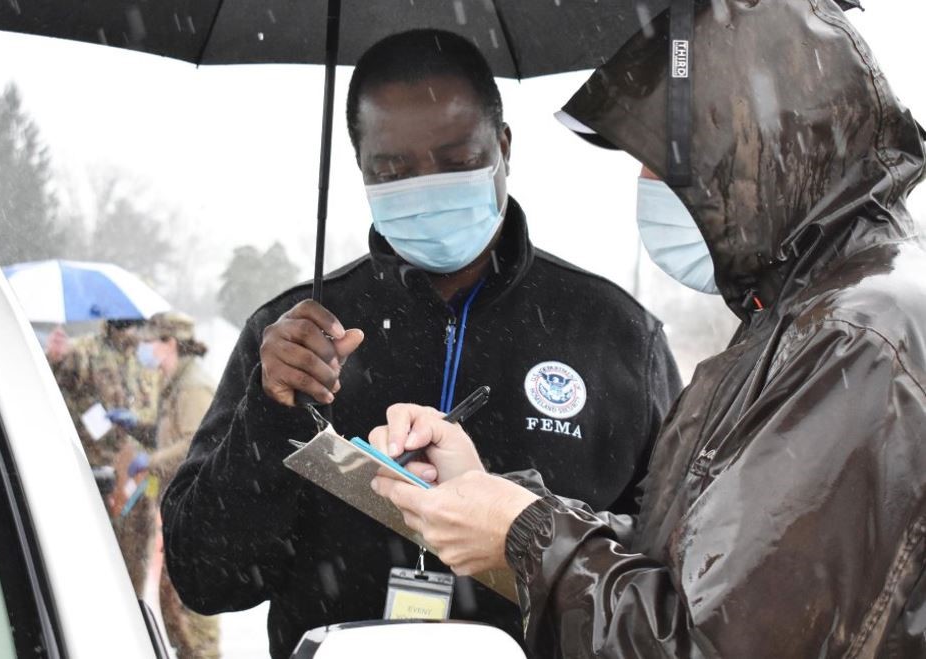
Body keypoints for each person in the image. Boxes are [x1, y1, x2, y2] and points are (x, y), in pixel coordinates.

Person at [371, 1, 926, 657]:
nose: (642, 183)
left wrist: (525, 534)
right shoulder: (794, 316)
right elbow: (697, 562)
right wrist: (491, 495)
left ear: (755, 152)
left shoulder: (856, 335)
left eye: (662, 160)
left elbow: (715, 642)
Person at [162, 29, 681, 656]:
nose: (427, 183)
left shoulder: (615, 335)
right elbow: (204, 579)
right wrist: (269, 416)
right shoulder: (294, 340)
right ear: (361, 171)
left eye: (458, 160)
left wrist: (525, 526)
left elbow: (671, 577)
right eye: (394, 170)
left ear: (503, 148)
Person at [125, 311, 221, 659]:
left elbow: (195, 443)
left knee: (191, 610)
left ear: (170, 343)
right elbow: (169, 433)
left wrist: (150, 461)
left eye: (151, 341)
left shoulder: (193, 385)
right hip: (180, 509)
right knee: (173, 601)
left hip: (197, 512)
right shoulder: (176, 382)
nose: (144, 348)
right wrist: (136, 427)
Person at [46, 318, 161, 594]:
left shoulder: (147, 361)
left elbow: (158, 413)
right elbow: (51, 389)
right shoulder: (85, 350)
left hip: (137, 477)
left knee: (134, 560)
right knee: (92, 557)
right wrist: (53, 359)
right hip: (93, 472)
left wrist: (139, 423)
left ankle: (132, 610)